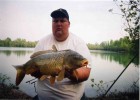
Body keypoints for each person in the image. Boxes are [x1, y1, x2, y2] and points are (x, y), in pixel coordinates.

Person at [32, 8, 92, 100]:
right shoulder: (42, 42)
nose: (58, 24)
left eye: (62, 21)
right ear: (52, 24)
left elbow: (86, 73)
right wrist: (37, 72)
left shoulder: (79, 43)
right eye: (55, 21)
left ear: (68, 24)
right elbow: (34, 66)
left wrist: (70, 74)